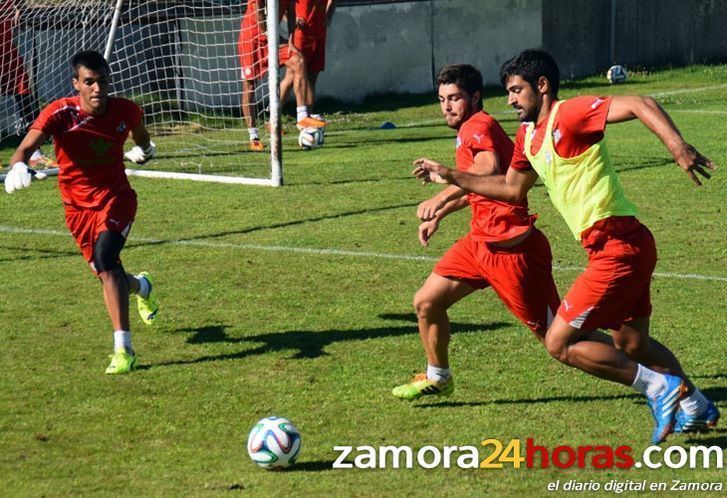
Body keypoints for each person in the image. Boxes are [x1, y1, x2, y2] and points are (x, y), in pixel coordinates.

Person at [413, 49, 719, 443]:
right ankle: (694, 404)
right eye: (508, 91)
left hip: (619, 247)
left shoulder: (569, 114)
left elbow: (642, 103)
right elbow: (509, 188)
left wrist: (678, 147)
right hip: (618, 247)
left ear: (542, 86)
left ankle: (659, 389)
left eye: (517, 90)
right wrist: (451, 178)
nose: (510, 100)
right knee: (631, 342)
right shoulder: (526, 135)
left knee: (559, 342)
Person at [392, 64, 560, 401]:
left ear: (476, 97)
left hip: (511, 250)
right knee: (427, 302)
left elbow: (486, 169)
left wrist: (440, 194)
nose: (447, 106)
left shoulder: (477, 125)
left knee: (561, 343)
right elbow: (480, 187)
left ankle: (652, 375)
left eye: (454, 98)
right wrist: (441, 212)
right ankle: (438, 376)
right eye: (442, 99)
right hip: (479, 244)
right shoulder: (471, 127)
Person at [4, 50, 159, 375]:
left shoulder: (125, 111)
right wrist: (18, 164)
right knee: (107, 273)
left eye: (102, 81)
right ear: (76, 83)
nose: (97, 89)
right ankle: (142, 287)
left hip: (116, 199)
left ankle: (123, 350)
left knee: (106, 258)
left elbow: (141, 133)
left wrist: (144, 149)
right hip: (77, 211)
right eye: (89, 82)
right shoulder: (59, 114)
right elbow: (25, 147)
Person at [238, 0, 324, 152]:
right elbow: (259, 13)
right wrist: (271, 38)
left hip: (271, 38)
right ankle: (254, 137)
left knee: (298, 60)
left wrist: (290, 39)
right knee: (250, 85)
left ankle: (302, 116)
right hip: (252, 38)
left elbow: (291, 11)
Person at [289, 0, 335, 127]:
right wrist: (293, 19)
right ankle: (274, 118)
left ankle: (306, 118)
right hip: (301, 33)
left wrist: (328, 16)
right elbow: (282, 5)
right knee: (291, 76)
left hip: (319, 32)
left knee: (312, 77)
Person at [0, 0, 38, 134]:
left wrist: (20, 9)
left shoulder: (8, 5)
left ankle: (30, 129)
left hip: (6, 52)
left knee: (22, 85)